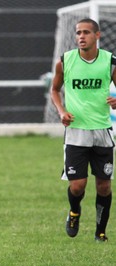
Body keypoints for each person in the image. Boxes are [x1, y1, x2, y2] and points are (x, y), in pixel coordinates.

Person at [50, 18, 116, 242]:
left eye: (86, 32)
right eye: (78, 32)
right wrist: (61, 111)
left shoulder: (110, 61)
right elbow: (55, 90)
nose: (81, 36)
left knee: (104, 186)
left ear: (97, 35)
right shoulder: (65, 61)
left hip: (102, 132)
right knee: (77, 186)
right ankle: (74, 212)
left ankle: (100, 232)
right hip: (76, 132)